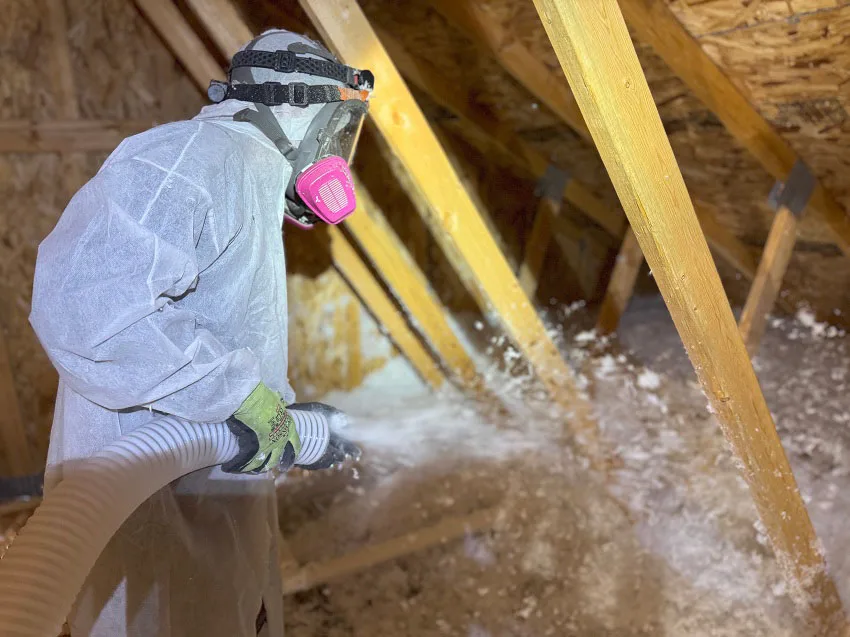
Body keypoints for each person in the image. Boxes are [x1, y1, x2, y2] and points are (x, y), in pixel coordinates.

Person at [29, 29, 371, 636]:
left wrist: (274, 414)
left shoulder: (248, 174)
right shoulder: (192, 157)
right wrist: (236, 394)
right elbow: (86, 308)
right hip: (142, 504)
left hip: (206, 500)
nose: (340, 153)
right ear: (302, 109)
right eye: (340, 129)